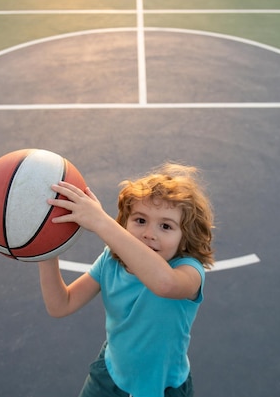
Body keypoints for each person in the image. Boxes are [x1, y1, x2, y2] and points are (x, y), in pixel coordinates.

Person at [38, 163, 215, 397]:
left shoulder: (188, 272)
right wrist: (45, 249)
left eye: (165, 226)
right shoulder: (110, 261)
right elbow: (61, 305)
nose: (149, 233)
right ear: (124, 223)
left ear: (185, 239)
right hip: (110, 375)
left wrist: (101, 222)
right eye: (140, 220)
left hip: (163, 387)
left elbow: (164, 284)